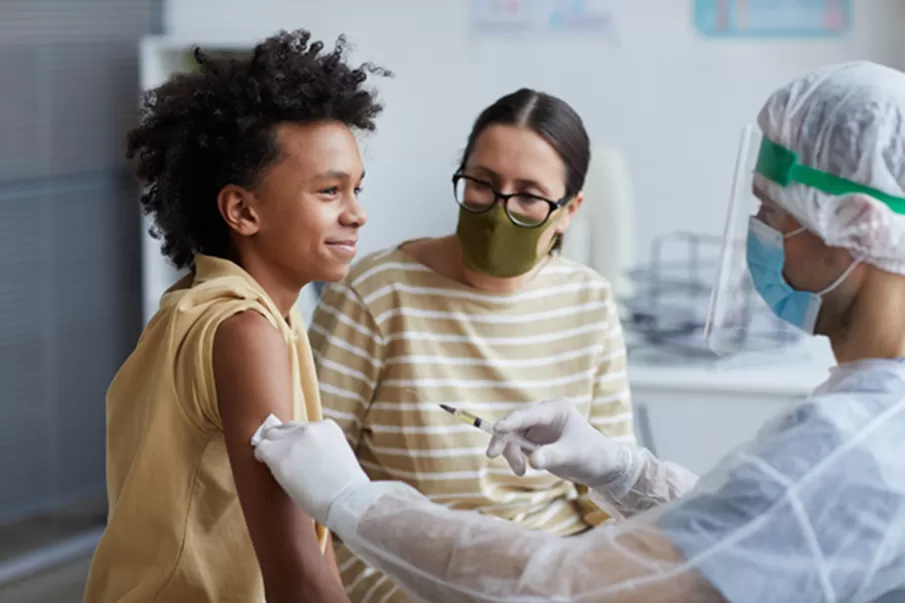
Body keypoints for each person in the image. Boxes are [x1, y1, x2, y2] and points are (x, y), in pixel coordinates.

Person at [254, 60, 905, 602]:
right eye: (481, 183)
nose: (757, 235)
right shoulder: (869, 420)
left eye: (770, 212)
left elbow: (569, 584)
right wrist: (618, 468)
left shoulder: (857, 448)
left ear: (855, 225)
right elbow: (739, 525)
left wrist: (351, 499)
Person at [82, 30, 389, 603]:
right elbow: (296, 576)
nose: (358, 214)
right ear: (242, 210)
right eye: (329, 191)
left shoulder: (216, 302)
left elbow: (303, 542)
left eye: (356, 189)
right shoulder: (243, 332)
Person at [308, 88, 637, 601]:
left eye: (529, 196)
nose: (499, 210)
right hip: (406, 568)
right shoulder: (375, 295)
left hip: (552, 570)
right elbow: (312, 479)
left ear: (569, 211)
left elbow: (607, 496)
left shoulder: (588, 302)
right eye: (483, 184)